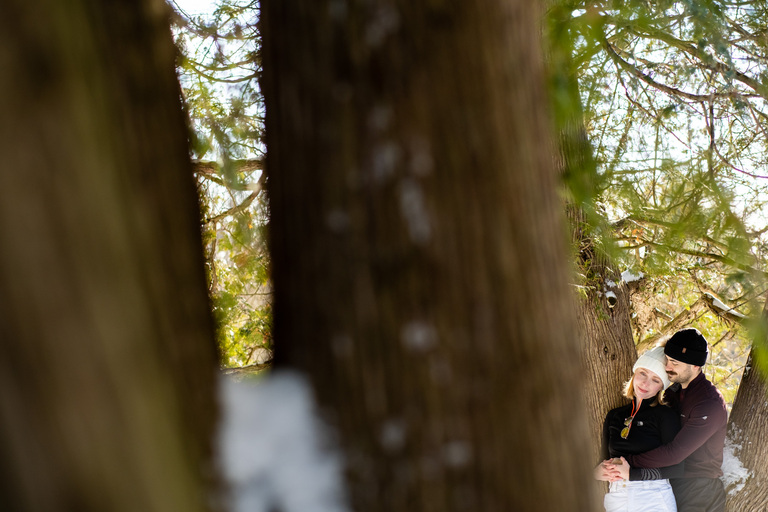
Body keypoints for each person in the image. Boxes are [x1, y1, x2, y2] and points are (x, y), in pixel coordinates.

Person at [610, 328, 728, 512]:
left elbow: (675, 452)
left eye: (674, 362)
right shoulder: (674, 392)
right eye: (667, 360)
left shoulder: (709, 403)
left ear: (695, 366)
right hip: (669, 482)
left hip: (699, 488)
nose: (667, 367)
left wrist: (626, 463)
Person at [595, 346, 683, 512]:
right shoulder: (615, 415)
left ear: (661, 387)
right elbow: (603, 458)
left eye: (656, 380)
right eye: (643, 373)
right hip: (617, 496)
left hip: (653, 496)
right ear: (634, 373)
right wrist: (597, 472)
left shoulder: (665, 416)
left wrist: (633, 474)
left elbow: (678, 468)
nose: (645, 383)